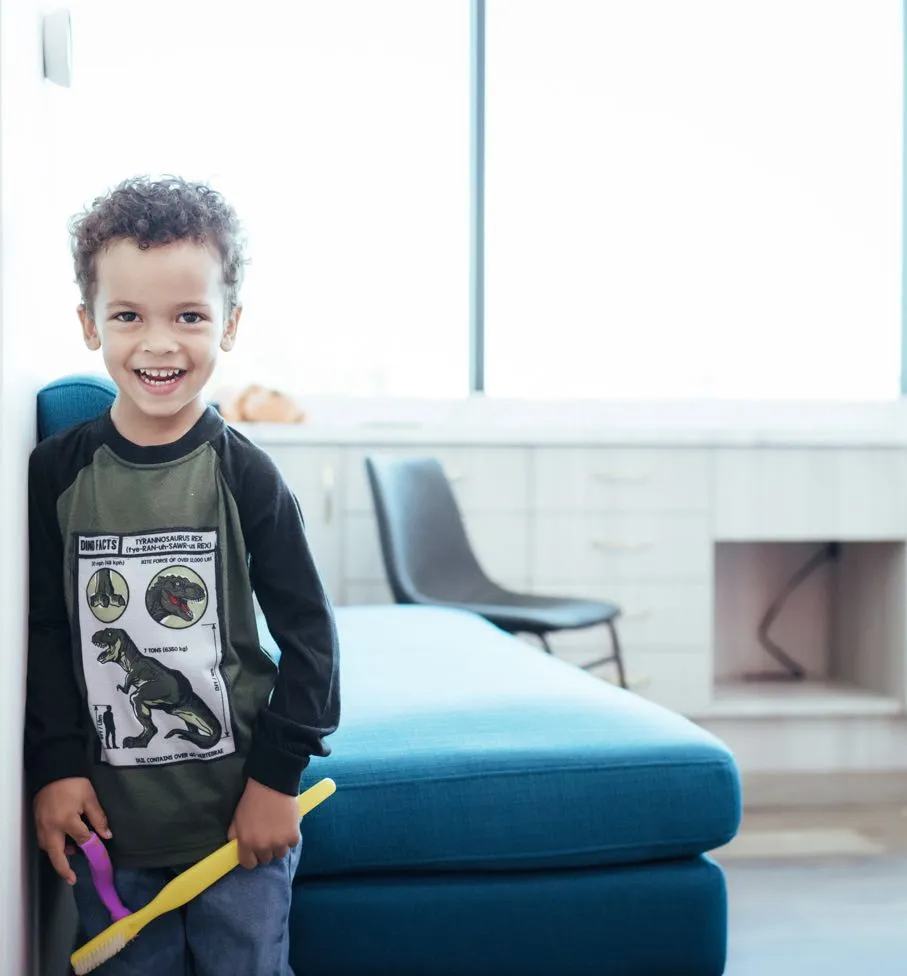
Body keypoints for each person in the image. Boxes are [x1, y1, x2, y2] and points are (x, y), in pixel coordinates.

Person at [25, 176, 340, 975]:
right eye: (128, 316)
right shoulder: (55, 473)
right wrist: (56, 768)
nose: (159, 344)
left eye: (189, 317)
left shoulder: (246, 475)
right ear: (89, 323)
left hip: (239, 824)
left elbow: (311, 637)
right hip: (110, 832)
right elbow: (45, 633)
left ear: (229, 324)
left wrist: (276, 780)